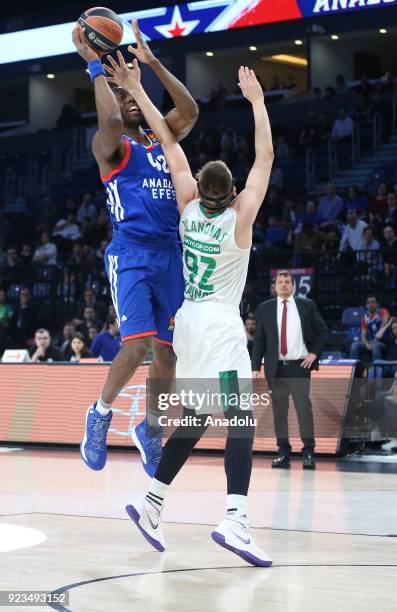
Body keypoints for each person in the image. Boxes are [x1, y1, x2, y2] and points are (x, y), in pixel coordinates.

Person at [107, 61, 274, 565]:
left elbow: (166, 137)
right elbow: (264, 158)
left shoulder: (184, 206)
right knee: (241, 419)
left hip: (189, 323)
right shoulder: (241, 220)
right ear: (233, 195)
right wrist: (258, 102)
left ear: (201, 189)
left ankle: (152, 504)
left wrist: (136, 87)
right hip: (221, 327)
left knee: (198, 416)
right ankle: (236, 520)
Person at [72, 19, 198, 475]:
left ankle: (149, 428)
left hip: (170, 253)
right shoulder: (111, 145)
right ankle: (100, 414)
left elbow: (191, 110)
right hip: (131, 251)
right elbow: (107, 117)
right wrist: (94, 67)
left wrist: (152, 65)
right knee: (139, 342)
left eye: (132, 96)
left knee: (168, 351)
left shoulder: (161, 138)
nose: (128, 100)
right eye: (121, 96)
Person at [251, 271, 328, 469]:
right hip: (275, 368)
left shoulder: (306, 306)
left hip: (299, 366)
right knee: (279, 412)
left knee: (304, 410)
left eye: (287, 282)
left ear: (293, 285)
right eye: (280, 282)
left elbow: (323, 331)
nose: (284, 285)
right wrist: (254, 367)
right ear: (274, 286)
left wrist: (313, 354)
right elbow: (259, 340)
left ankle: (309, 452)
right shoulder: (264, 309)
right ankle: (283, 452)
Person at [350, 295, 390, 361]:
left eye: (373, 302)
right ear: (366, 305)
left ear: (377, 304)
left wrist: (379, 333)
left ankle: (377, 370)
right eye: (368, 303)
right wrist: (367, 344)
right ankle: (354, 368)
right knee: (355, 345)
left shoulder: (382, 311)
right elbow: (363, 335)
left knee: (375, 346)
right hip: (371, 342)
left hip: (384, 343)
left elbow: (385, 321)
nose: (371, 304)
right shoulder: (365, 318)